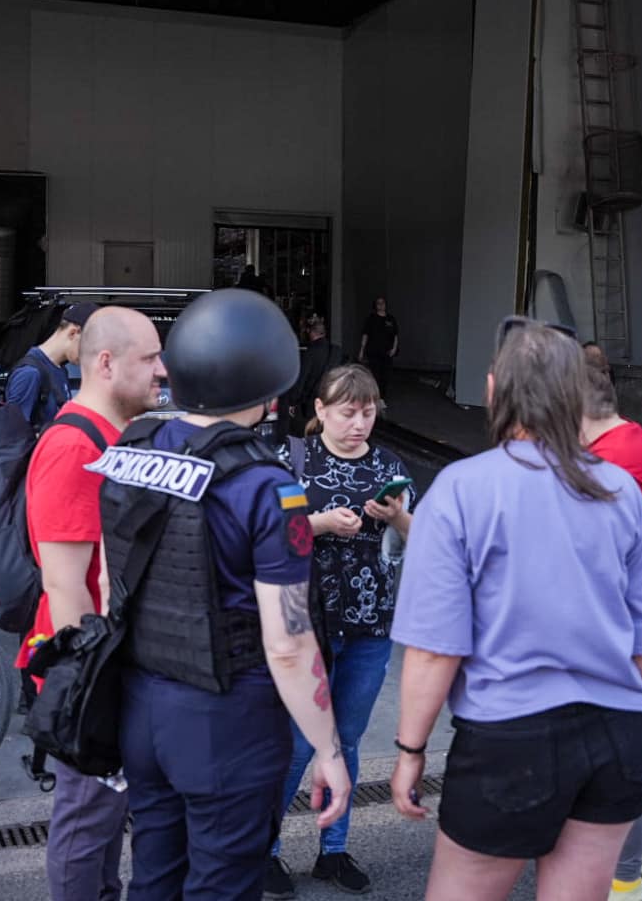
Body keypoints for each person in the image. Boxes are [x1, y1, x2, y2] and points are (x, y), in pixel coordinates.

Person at [389, 317, 642, 901]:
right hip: (615, 736)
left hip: (508, 741)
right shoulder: (620, 492)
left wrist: (410, 750)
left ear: (494, 391)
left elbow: (435, 649)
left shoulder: (461, 489)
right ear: (578, 396)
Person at [100, 288, 350, 901]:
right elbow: (288, 643)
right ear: (268, 391)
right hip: (226, 722)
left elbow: (112, 584)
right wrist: (329, 749)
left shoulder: (130, 451)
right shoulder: (270, 489)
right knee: (222, 885)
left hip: (141, 709)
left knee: (154, 877)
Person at [17, 305, 167, 901]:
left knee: (105, 823)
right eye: (150, 358)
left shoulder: (110, 439)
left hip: (108, 663)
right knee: (85, 826)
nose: (162, 371)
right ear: (105, 363)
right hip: (86, 672)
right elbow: (65, 582)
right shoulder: (73, 446)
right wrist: (93, 690)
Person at [266, 363, 414, 898]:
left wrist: (396, 517)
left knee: (346, 739)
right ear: (321, 411)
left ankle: (333, 850)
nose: (359, 423)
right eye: (348, 412)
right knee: (301, 743)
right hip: (307, 622)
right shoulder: (290, 461)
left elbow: (422, 543)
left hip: (371, 624)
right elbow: (267, 533)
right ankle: (266, 848)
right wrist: (322, 523)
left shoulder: (390, 466)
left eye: (368, 412)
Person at [580, 349, 642, 901]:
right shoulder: (618, 446)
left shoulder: (617, 463)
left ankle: (624, 877)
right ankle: (626, 869)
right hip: (635, 624)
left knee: (626, 758)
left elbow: (598, 561)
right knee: (624, 753)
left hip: (633, 628)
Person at [5, 301, 97, 431]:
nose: (90, 354)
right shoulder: (30, 373)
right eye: (90, 346)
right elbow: (13, 435)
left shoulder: (60, 370)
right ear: (73, 333)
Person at [282, 315, 344, 439]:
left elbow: (302, 380)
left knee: (311, 434)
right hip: (333, 398)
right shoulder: (337, 351)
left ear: (311, 332)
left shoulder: (310, 353)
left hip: (312, 404)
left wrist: (292, 402)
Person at [357, 297, 398, 402]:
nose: (380, 305)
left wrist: (394, 348)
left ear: (385, 304)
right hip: (373, 352)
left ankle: (382, 398)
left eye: (382, 303)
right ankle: (375, 397)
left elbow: (395, 335)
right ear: (375, 306)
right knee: (375, 375)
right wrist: (362, 349)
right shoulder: (371, 319)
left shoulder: (391, 319)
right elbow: (365, 334)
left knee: (385, 376)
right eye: (378, 303)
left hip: (387, 353)